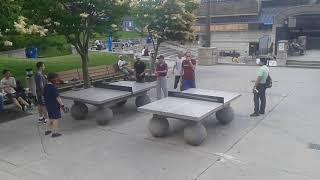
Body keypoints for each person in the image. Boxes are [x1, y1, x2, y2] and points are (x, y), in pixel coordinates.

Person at [43, 72, 65, 138]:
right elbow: (57, 97)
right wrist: (62, 105)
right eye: (56, 78)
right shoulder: (53, 87)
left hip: (48, 105)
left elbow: (44, 94)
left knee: (51, 118)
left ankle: (47, 130)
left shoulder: (46, 86)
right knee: (56, 118)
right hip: (54, 105)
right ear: (53, 79)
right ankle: (55, 133)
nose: (57, 79)